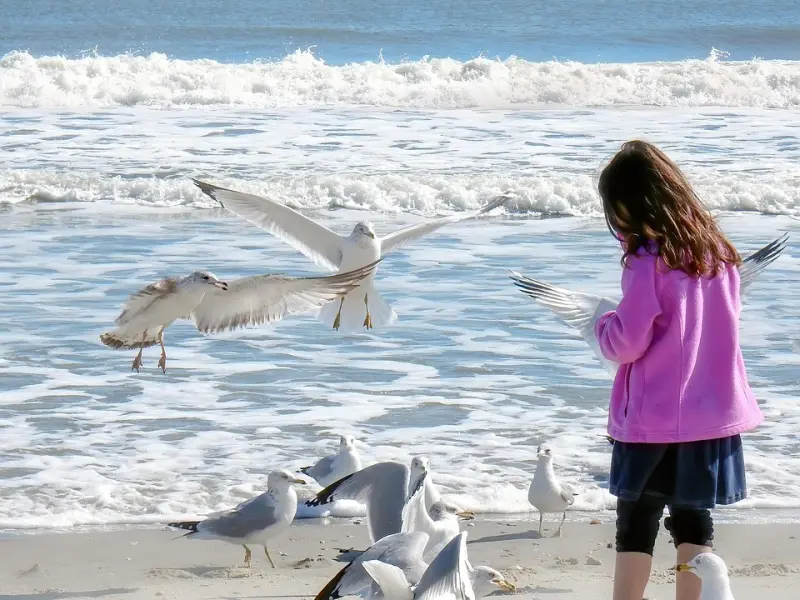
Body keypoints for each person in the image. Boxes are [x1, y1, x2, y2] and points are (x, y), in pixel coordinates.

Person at [593, 140, 763, 600]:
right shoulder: (718, 255)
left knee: (637, 515)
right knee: (693, 515)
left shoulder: (647, 261)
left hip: (655, 417)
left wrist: (602, 325)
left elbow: (627, 342)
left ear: (632, 204)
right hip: (711, 416)